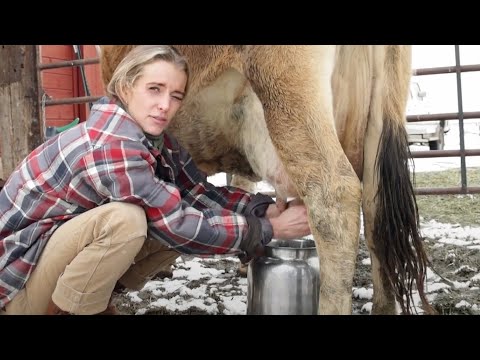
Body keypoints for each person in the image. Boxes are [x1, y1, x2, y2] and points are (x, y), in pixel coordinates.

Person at [0, 45, 311, 315]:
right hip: (17, 291)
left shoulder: (156, 140)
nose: (165, 105)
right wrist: (270, 230)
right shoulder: (113, 146)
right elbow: (178, 225)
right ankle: (79, 309)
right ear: (124, 88)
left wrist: (261, 210)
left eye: (176, 95)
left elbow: (198, 193)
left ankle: (94, 298)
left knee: (181, 211)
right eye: (154, 89)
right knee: (127, 220)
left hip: (46, 266)